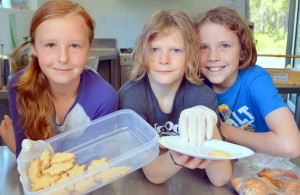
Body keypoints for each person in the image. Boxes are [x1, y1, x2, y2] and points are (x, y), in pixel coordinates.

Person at [118, 9, 232, 187]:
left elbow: (220, 178)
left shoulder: (202, 96)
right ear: (142, 53)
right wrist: (178, 155)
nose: (164, 59)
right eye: (155, 49)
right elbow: (153, 174)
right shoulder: (132, 97)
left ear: (190, 55)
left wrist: (209, 125)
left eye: (176, 50)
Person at [0, 0, 118, 157]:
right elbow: (26, 156)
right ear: (34, 47)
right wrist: (20, 149)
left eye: (74, 46)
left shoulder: (104, 98)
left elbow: (93, 163)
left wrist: (14, 145)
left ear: (89, 48)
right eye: (50, 45)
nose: (63, 58)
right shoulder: (19, 86)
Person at [194, 6, 300, 158]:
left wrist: (225, 130)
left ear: (242, 51)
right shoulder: (196, 83)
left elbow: (290, 146)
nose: (213, 56)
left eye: (224, 46)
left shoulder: (255, 79)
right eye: (203, 47)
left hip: (260, 168)